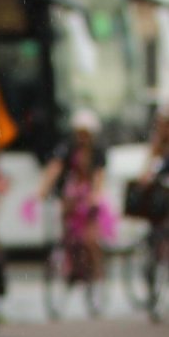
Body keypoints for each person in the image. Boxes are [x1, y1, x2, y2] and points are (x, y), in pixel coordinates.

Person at [31, 107, 111, 283]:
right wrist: (41, 192)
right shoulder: (67, 148)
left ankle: (97, 270)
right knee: (67, 229)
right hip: (71, 193)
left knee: (90, 238)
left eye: (85, 133)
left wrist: (96, 195)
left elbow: (99, 177)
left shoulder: (97, 152)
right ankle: (72, 265)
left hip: (89, 194)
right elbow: (55, 168)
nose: (82, 137)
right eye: (79, 133)